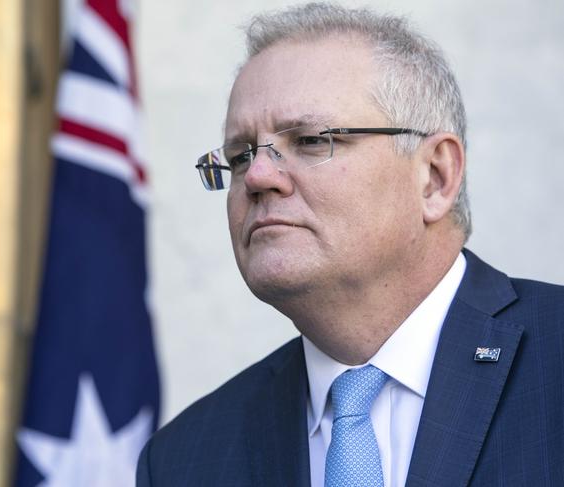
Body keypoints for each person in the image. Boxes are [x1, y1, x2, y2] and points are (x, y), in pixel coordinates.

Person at [137, 3, 564, 486]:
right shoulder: (186, 459)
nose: (256, 176)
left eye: (312, 141)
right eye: (238, 156)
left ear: (434, 178)